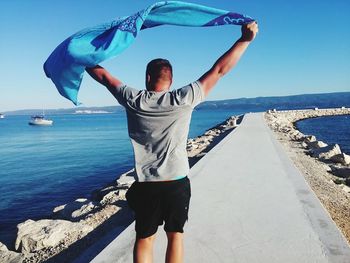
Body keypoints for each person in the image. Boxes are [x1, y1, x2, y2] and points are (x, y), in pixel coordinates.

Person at [86, 21, 258, 263]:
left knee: (145, 239)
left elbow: (103, 76)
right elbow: (219, 69)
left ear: (147, 77)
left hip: (147, 184)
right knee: (175, 235)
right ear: (172, 78)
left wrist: (79, 56)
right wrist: (245, 40)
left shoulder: (133, 99)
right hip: (177, 181)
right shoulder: (184, 98)